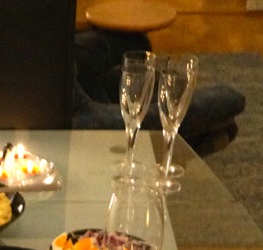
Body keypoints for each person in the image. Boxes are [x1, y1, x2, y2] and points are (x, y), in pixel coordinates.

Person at [72, 30, 245, 156]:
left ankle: (166, 149)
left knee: (139, 50)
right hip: (72, 114)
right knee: (226, 106)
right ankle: (168, 154)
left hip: (64, 71)